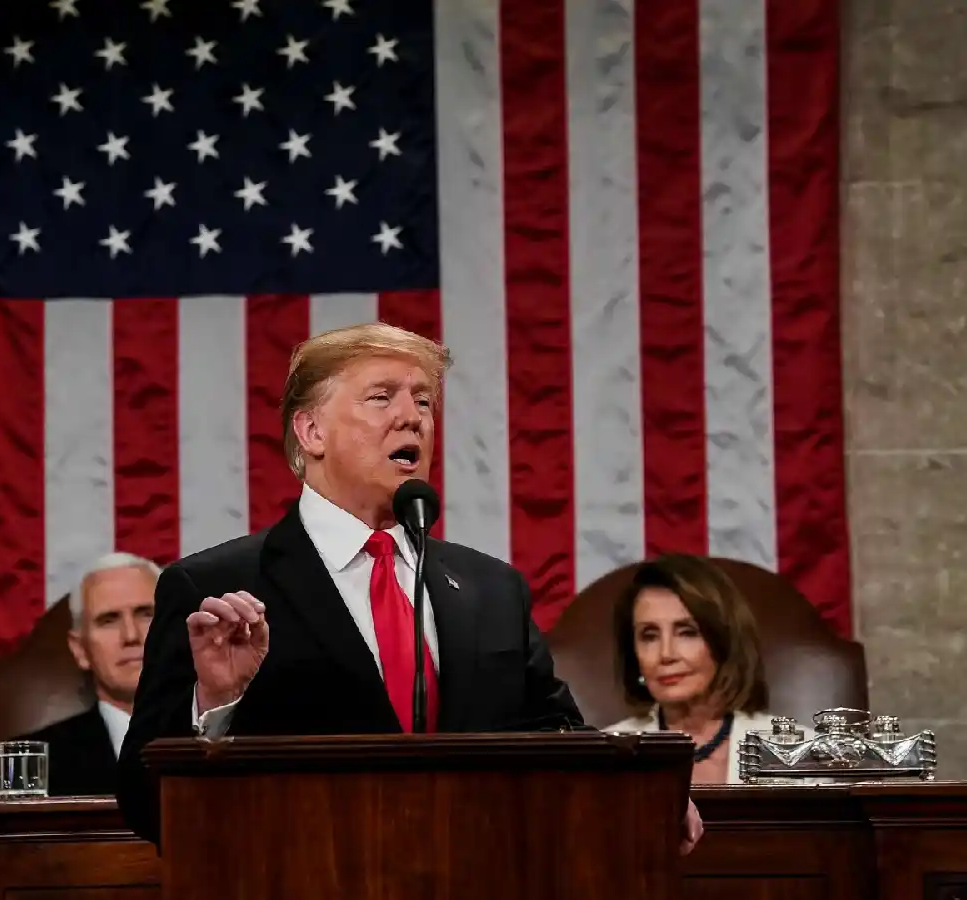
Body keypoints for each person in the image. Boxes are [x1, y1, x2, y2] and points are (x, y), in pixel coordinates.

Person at [117, 322, 702, 853]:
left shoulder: (492, 589)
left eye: (423, 400)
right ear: (311, 429)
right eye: (382, 397)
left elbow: (557, 736)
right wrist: (216, 706)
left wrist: (642, 794)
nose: (413, 417)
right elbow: (146, 806)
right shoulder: (214, 588)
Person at [0, 552, 159, 797]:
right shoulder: (26, 767)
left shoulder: (222, 740)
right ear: (80, 650)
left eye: (146, 614)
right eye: (108, 620)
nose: (130, 635)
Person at [604, 554, 777, 784]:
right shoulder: (603, 759)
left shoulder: (800, 753)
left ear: (723, 641)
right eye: (649, 636)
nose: (666, 654)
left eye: (687, 632)